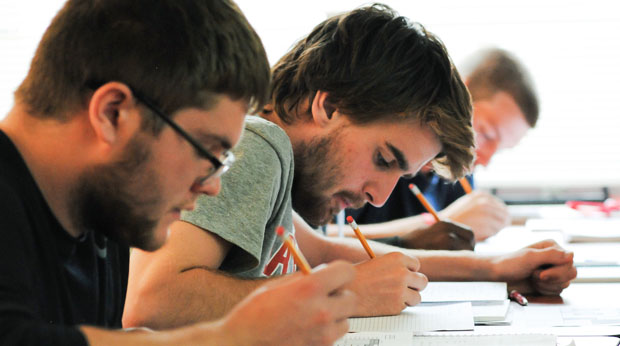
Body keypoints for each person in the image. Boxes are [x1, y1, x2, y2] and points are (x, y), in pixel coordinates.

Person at [124, 4, 576, 330]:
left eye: (399, 175)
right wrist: (345, 294)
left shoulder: (277, 164)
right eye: (383, 159)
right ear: (329, 105)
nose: (379, 196)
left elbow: (322, 253)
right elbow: (152, 300)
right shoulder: (262, 145)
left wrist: (497, 268)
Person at [0, 0, 357, 345]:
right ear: (113, 115)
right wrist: (228, 338)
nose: (213, 186)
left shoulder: (99, 217)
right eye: (208, 152)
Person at [339, 48, 539, 248]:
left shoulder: (460, 175)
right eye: (486, 134)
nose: (485, 159)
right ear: (460, 95)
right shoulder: (381, 153)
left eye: (500, 149)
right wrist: (436, 224)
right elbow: (319, 241)